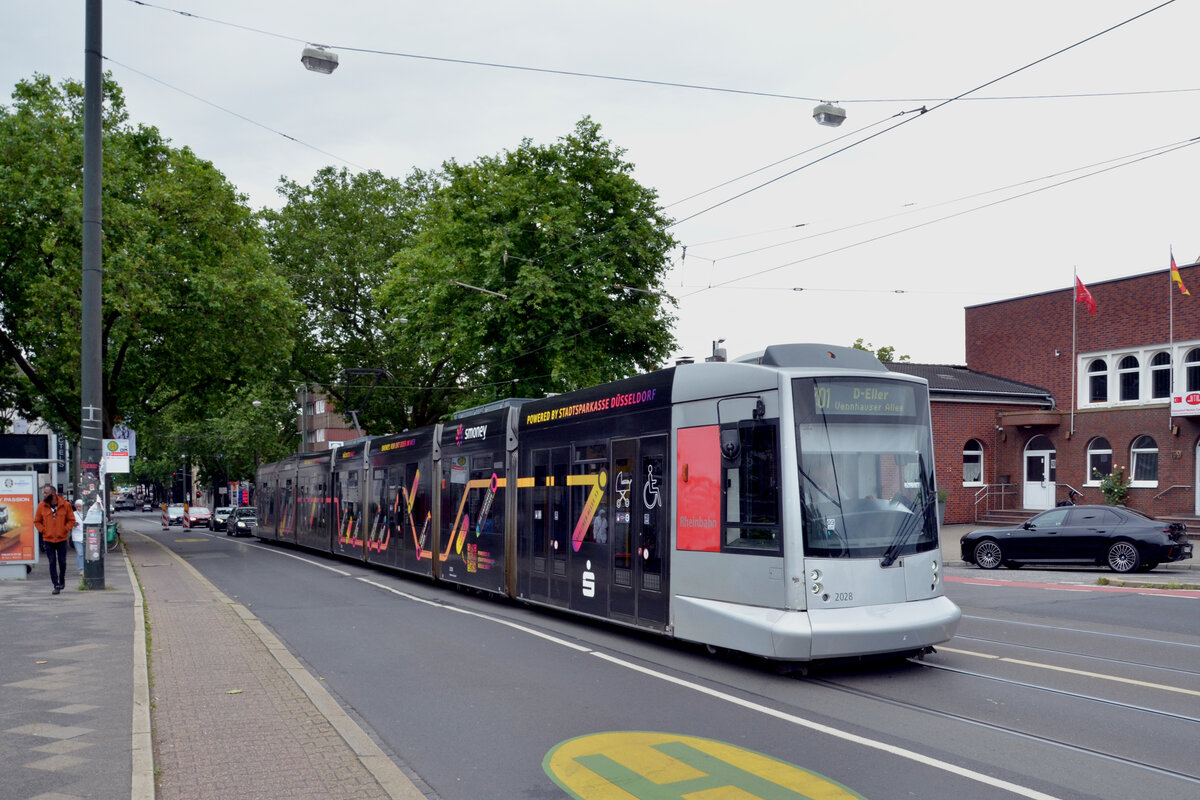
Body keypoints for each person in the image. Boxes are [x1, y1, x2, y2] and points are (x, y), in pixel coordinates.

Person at [33, 484, 76, 595]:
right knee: (52, 562)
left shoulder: (65, 505)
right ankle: (56, 584)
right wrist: (43, 530)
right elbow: (37, 521)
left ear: (53, 493)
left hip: (61, 539)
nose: (44, 494)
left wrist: (64, 529)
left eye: (46, 492)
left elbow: (71, 520)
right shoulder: (41, 506)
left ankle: (62, 579)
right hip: (48, 539)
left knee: (62, 561)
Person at [71, 499, 85, 573]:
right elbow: (70, 523)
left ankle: (86, 567)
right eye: (77, 506)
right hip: (77, 536)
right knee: (80, 553)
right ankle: (81, 568)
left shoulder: (86, 513)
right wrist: (74, 524)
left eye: (80, 506)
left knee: (86, 553)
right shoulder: (73, 514)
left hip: (85, 536)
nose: (78, 508)